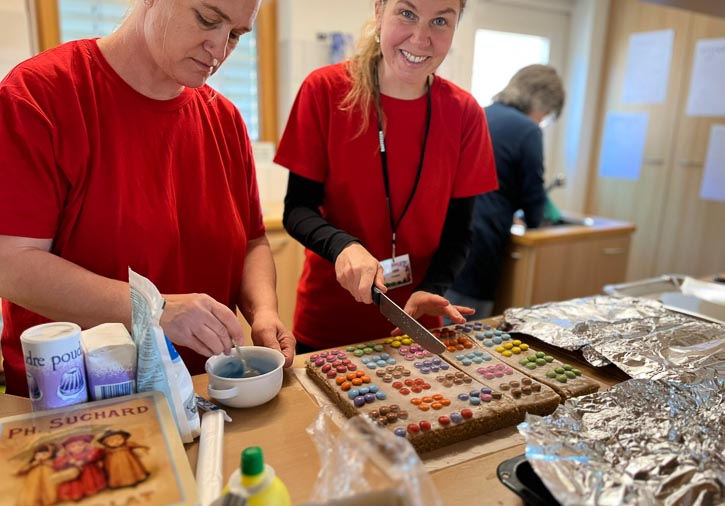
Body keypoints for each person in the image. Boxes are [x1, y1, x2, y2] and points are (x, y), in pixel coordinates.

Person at [0, 0, 295, 397]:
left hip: (201, 390)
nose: (219, 49)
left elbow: (253, 242)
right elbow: (10, 263)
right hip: (73, 399)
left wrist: (264, 311)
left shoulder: (224, 119)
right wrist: (153, 310)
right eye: (207, 19)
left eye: (236, 35)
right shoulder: (41, 95)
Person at [275, 0, 498, 353]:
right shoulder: (325, 90)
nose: (420, 38)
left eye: (440, 21)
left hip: (415, 323)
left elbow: (460, 230)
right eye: (407, 14)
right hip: (328, 324)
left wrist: (434, 288)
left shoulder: (465, 112)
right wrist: (342, 246)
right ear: (379, 11)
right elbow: (298, 209)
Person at [447, 64, 565, 319]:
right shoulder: (527, 130)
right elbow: (533, 195)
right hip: (482, 240)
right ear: (541, 101)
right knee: (467, 328)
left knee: (440, 321)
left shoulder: (480, 113)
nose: (542, 120)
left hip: (449, 234)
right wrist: (533, 220)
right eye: (546, 114)